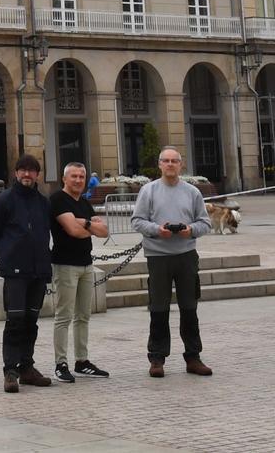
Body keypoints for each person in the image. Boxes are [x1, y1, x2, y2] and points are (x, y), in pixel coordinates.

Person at [130, 147, 213, 378]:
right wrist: (157, 230)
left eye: (174, 161)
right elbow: (136, 221)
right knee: (158, 308)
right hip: (158, 257)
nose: (170, 165)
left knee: (189, 307)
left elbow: (205, 223)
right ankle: (157, 358)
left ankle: (193, 357)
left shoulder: (192, 192)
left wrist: (190, 230)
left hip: (186, 255)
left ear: (181, 164)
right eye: (165, 161)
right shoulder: (149, 191)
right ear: (159, 165)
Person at [0, 153, 55, 393]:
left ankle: (27, 368)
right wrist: (7, 256)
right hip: (15, 273)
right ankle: (10, 371)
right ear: (15, 173)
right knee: (15, 321)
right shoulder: (4, 201)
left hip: (38, 272)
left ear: (37, 175)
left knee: (31, 321)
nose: (27, 174)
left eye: (31, 170)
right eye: (22, 170)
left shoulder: (43, 202)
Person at [48, 161, 110, 382]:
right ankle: (60, 363)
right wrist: (88, 227)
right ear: (64, 178)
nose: (78, 180)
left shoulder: (84, 203)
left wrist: (83, 224)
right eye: (73, 176)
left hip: (86, 264)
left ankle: (82, 360)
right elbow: (72, 230)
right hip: (65, 264)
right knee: (63, 316)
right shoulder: (57, 200)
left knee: (83, 315)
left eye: (81, 177)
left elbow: (104, 232)